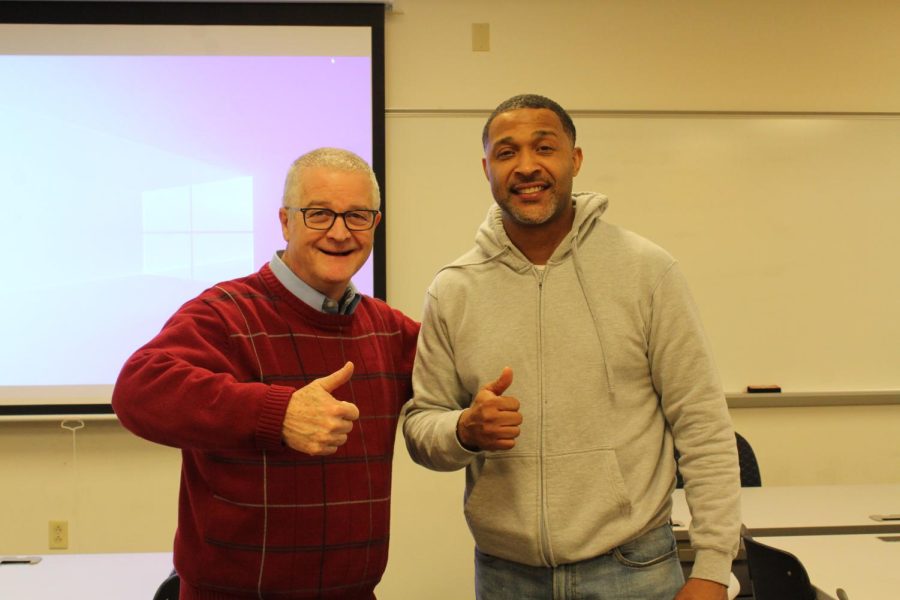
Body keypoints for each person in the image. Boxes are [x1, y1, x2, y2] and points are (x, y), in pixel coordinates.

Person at [402, 95, 741, 600]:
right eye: (507, 152)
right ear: (486, 168)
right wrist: (464, 429)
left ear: (574, 160)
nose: (527, 166)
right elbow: (420, 426)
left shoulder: (646, 271)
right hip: (505, 576)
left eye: (545, 147)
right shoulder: (454, 288)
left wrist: (713, 567)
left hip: (635, 568)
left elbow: (702, 422)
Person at [113, 147, 419, 600]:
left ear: (374, 224)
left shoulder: (388, 329)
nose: (339, 232)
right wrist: (277, 413)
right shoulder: (226, 313)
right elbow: (138, 389)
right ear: (285, 221)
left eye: (356, 216)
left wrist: (473, 418)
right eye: (319, 214)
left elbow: (456, 379)